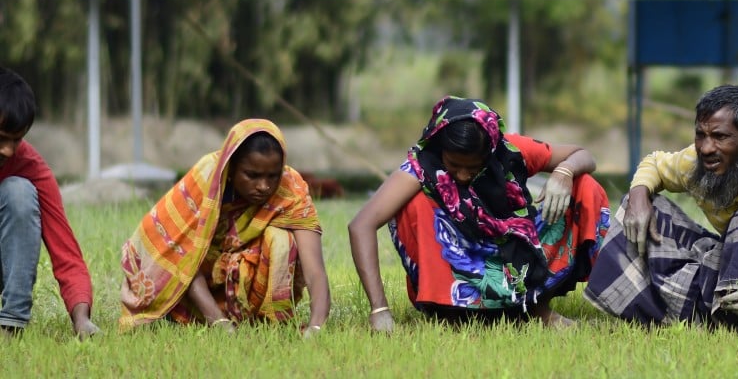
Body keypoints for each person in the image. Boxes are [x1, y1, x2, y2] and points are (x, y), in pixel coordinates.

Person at [583, 84, 738, 336]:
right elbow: (654, 163)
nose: (706, 148)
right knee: (639, 203)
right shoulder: (697, 163)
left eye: (720, 136)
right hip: (732, 267)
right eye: (700, 135)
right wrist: (639, 196)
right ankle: (708, 317)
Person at [348, 96, 611, 332]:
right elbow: (361, 225)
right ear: (440, 149)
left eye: (473, 167)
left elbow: (583, 155)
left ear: (491, 151)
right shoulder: (420, 166)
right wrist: (379, 310)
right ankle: (453, 314)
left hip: (514, 258)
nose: (462, 175)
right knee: (413, 202)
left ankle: (535, 309)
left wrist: (564, 172)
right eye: (454, 165)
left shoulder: (509, 150)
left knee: (585, 185)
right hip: (460, 268)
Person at [120, 119, 330, 336]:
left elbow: (315, 271)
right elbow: (181, 255)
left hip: (238, 277)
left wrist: (316, 326)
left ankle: (268, 320)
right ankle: (199, 315)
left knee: (281, 241)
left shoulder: (291, 188)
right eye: (252, 175)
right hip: (191, 276)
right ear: (231, 167)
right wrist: (219, 323)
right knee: (181, 250)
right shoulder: (207, 177)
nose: (264, 186)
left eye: (272, 176)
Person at [0, 66, 101, 339]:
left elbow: (66, 253)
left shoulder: (29, 165)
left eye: (16, 140)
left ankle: (11, 325)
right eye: (1, 139)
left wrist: (82, 320)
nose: (8, 150)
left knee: (19, 192)